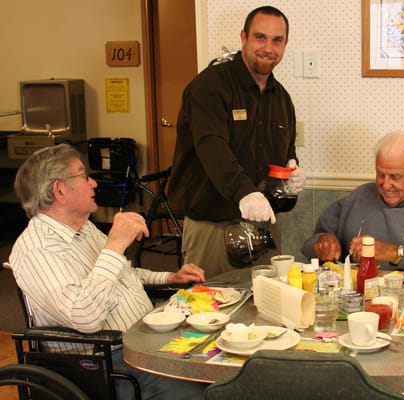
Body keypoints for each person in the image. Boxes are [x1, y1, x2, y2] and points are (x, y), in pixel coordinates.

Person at [8, 143, 207, 399]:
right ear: (59, 190)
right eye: (83, 176)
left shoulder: (85, 229)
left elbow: (122, 274)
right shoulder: (37, 250)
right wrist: (114, 245)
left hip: (143, 344)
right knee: (203, 391)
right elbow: (85, 317)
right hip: (103, 364)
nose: (93, 184)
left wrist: (170, 277)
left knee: (222, 369)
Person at [169, 5, 304, 278]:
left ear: (285, 44)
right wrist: (245, 192)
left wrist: (292, 168)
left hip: (265, 229)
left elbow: (285, 150)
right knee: (211, 311)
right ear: (244, 38)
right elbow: (212, 148)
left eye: (277, 40)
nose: (268, 47)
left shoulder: (281, 98)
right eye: (260, 37)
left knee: (268, 311)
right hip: (213, 227)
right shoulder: (209, 87)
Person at [301, 131, 404, 273]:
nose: (386, 185)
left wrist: (395, 253)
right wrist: (323, 242)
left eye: (395, 177)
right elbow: (309, 245)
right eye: (380, 174)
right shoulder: (360, 196)